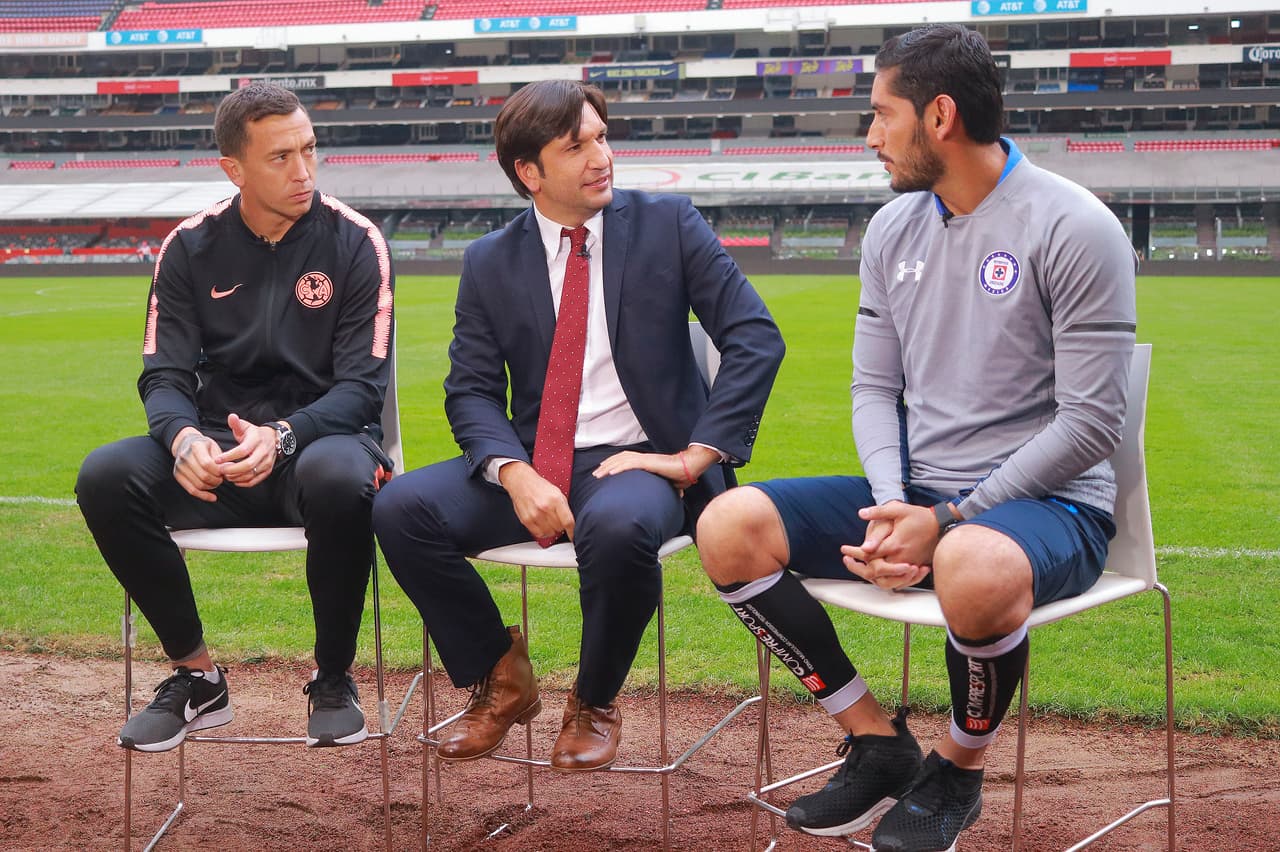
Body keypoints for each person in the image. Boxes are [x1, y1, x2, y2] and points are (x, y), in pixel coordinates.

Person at [696, 24, 1137, 852]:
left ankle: (956, 772)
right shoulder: (893, 230)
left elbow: (1091, 423)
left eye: (880, 115)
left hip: (1051, 508)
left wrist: (954, 518)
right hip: (923, 495)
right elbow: (874, 387)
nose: (869, 137)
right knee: (726, 525)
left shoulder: (1075, 226)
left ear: (939, 115)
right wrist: (898, 503)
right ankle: (876, 742)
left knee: (970, 561)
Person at [373, 79, 784, 772]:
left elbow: (754, 336)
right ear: (529, 172)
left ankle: (593, 702)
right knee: (399, 507)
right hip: (539, 459)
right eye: (578, 146)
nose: (603, 157)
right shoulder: (489, 262)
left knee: (619, 527)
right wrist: (514, 473)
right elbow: (470, 392)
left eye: (602, 137)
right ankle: (500, 679)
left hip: (640, 462)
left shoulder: (669, 224)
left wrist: (694, 457)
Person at [76, 82, 395, 753]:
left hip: (320, 444)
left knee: (342, 479)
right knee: (105, 475)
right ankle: (196, 677)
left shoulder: (356, 242)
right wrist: (182, 435)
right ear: (234, 168)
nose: (303, 171)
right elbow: (164, 374)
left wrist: (284, 437)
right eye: (281, 157)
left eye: (309, 149)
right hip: (217, 452)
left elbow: (363, 389)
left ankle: (334, 677)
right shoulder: (190, 247)